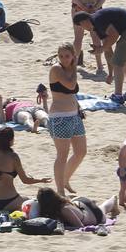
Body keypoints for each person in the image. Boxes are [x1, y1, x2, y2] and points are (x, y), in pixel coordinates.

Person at [73, 6, 126, 104]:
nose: (83, 28)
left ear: (84, 21)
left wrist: (101, 48)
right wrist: (110, 74)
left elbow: (114, 35)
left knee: (118, 62)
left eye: (81, 26)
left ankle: (118, 96)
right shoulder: (96, 27)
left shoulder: (97, 20)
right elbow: (108, 51)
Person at [41, 42, 86, 195]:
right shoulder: (56, 69)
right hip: (60, 117)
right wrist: (74, 66)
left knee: (81, 152)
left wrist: (79, 108)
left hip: (74, 115)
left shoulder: (69, 68)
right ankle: (60, 190)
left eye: (67, 56)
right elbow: (71, 85)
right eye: (61, 56)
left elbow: (72, 93)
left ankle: (65, 179)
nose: (64, 59)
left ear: (73, 55)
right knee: (62, 155)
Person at [0, 127, 46, 213]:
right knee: (32, 202)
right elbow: (25, 180)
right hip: (11, 201)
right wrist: (41, 180)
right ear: (10, 140)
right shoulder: (13, 156)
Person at [27, 187, 120, 229]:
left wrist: (66, 227)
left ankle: (113, 200)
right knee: (101, 207)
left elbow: (80, 226)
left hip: (94, 215)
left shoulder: (64, 209)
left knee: (103, 209)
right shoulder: (59, 203)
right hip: (79, 202)